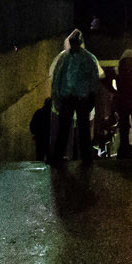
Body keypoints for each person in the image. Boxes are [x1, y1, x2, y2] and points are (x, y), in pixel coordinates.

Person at [47, 29, 101, 165]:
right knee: (65, 128)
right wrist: (57, 96)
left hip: (81, 98)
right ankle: (62, 156)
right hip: (69, 98)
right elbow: (58, 78)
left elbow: (93, 78)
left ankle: (85, 157)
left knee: (81, 128)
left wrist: (92, 96)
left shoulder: (86, 58)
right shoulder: (67, 58)